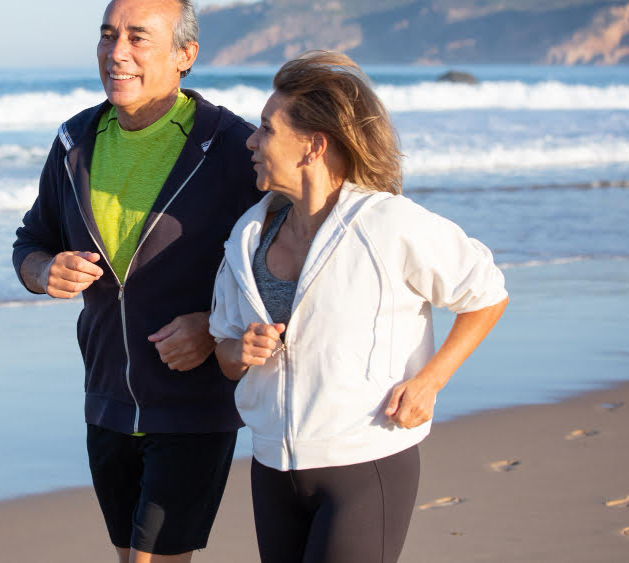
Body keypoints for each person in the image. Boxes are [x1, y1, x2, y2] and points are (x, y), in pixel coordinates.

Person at [209, 51, 509, 563]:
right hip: (271, 467)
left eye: (266, 129)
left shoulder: (387, 224)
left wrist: (431, 380)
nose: (252, 141)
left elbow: (485, 292)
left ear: (313, 145)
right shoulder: (248, 235)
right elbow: (225, 354)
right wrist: (243, 347)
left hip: (365, 462)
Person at [12, 0, 263, 562]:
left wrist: (213, 324)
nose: (116, 52)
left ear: (185, 56)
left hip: (193, 402)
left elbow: (289, 260)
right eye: (107, 35)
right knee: (131, 555)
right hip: (105, 395)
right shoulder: (74, 141)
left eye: (137, 37)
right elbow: (30, 241)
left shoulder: (231, 146)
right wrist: (44, 270)